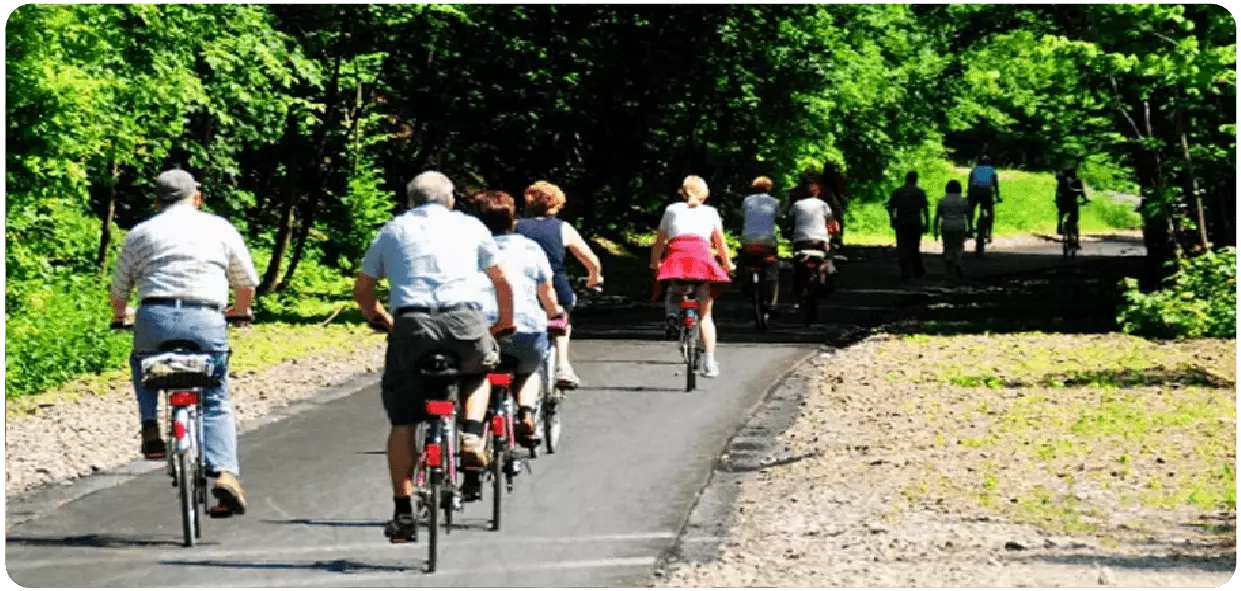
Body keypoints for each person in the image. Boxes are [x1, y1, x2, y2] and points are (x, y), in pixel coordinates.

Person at [352, 170, 516, 543]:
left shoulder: (392, 230)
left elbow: (364, 288)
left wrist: (379, 317)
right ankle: (472, 436)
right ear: (451, 199)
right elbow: (501, 280)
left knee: (403, 420)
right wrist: (503, 322)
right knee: (480, 370)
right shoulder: (472, 227)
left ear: (410, 201)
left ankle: (402, 512)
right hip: (465, 320)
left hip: (412, 325)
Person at [109, 169, 258, 517]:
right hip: (205, 317)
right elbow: (246, 282)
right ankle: (224, 474)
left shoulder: (140, 233)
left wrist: (120, 316)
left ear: (157, 201)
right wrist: (241, 311)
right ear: (197, 197)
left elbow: (119, 292)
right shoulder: (219, 228)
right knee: (216, 398)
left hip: (154, 316)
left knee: (144, 362)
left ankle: (149, 426)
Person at [474, 189, 565, 444]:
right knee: (529, 369)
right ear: (512, 219)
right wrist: (556, 314)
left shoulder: (469, 249)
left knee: (476, 374)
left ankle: (474, 430)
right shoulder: (530, 248)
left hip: (483, 329)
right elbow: (547, 294)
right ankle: (525, 412)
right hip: (525, 328)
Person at [515, 181, 603, 389]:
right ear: (556, 205)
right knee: (562, 317)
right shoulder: (563, 228)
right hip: (556, 287)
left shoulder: (515, 226)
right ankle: (563, 365)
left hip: (523, 288)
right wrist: (595, 277)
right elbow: (591, 260)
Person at [650, 175, 733, 378]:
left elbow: (660, 241)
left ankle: (671, 317)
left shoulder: (671, 210)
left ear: (683, 191)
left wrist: (655, 263)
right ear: (704, 194)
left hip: (677, 256)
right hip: (701, 258)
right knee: (705, 314)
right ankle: (710, 362)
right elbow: (720, 243)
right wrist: (728, 264)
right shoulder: (711, 212)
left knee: (674, 291)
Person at [738, 176, 782, 312]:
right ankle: (773, 304)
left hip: (748, 241)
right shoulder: (774, 202)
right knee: (773, 270)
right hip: (768, 242)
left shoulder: (747, 201)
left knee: (745, 260)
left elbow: (741, 215)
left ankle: (745, 280)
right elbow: (779, 217)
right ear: (769, 188)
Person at [787, 173, 834, 299]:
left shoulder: (796, 205)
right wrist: (830, 236)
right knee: (825, 259)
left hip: (801, 242)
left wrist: (788, 232)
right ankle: (824, 278)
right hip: (820, 242)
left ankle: (797, 289)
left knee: (797, 266)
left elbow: (789, 222)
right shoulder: (823, 205)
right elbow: (831, 224)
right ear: (817, 192)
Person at [887, 170, 930, 280]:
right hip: (915, 222)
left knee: (902, 246)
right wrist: (927, 223)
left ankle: (905, 270)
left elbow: (891, 207)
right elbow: (925, 209)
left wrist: (892, 219)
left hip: (901, 222)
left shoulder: (898, 192)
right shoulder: (920, 192)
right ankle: (916, 270)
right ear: (916, 179)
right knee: (914, 247)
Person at [933, 179, 969, 279]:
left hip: (946, 224)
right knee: (958, 246)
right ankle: (958, 263)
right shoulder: (963, 200)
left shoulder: (942, 201)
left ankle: (949, 269)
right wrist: (970, 227)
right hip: (959, 224)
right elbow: (968, 214)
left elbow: (937, 217)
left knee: (947, 246)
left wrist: (935, 230)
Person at [966, 154, 1002, 240]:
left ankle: (970, 228)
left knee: (971, 209)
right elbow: (995, 185)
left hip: (975, 191)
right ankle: (989, 234)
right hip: (987, 192)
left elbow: (969, 184)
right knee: (990, 211)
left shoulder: (974, 170)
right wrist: (998, 197)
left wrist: (968, 196)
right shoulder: (992, 170)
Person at [1056, 165, 1089, 237]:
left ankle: (1060, 225)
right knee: (1074, 217)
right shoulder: (1076, 180)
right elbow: (1081, 191)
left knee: (1061, 212)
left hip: (1064, 200)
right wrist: (1084, 199)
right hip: (1071, 201)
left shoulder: (1062, 180)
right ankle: (1069, 227)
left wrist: (1058, 200)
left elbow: (1058, 191)